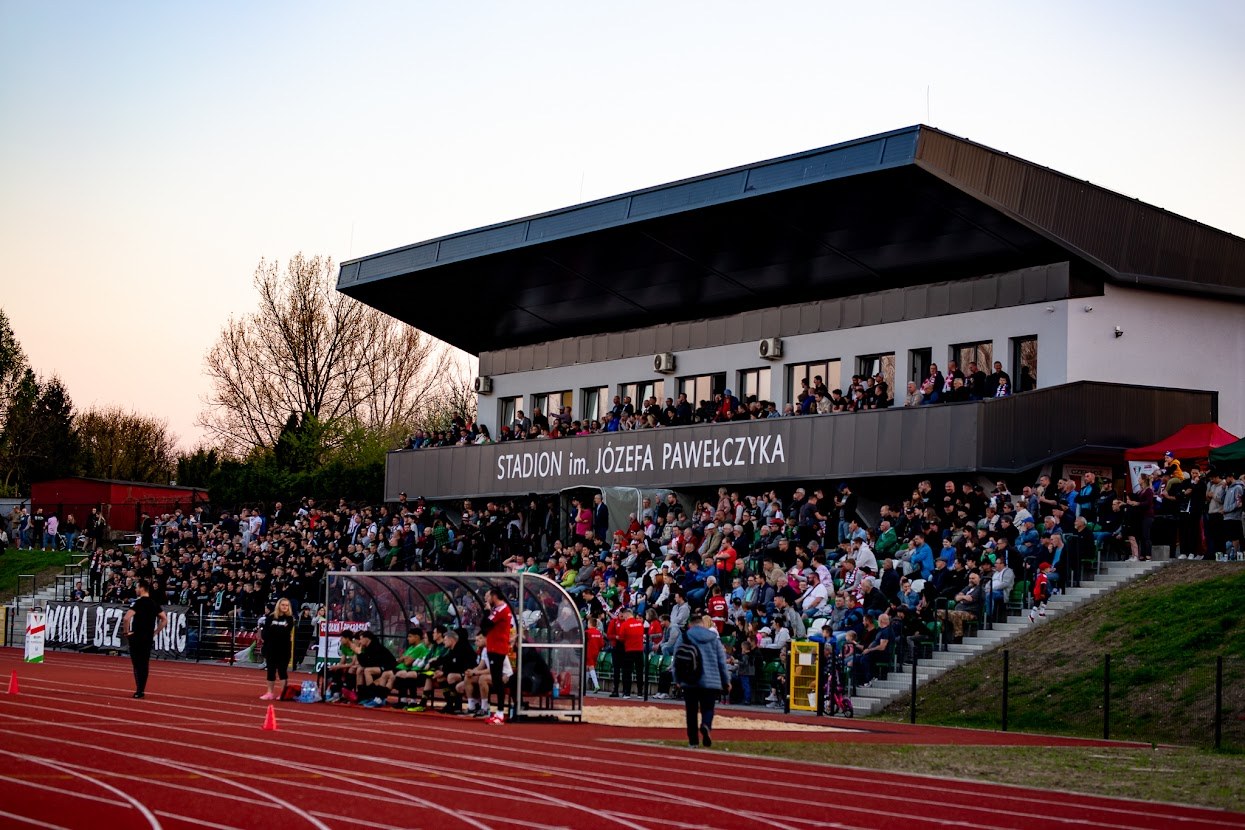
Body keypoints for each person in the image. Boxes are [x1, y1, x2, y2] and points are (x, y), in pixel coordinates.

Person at [682, 613, 731, 748]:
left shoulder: (685, 637)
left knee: (691, 712)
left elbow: (678, 658)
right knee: (708, 708)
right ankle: (706, 724)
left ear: (690, 625)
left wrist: (677, 678)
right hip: (711, 679)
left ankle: (693, 741)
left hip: (690, 679)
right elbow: (721, 661)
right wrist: (726, 681)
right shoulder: (713, 639)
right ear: (703, 624)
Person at [123, 579, 168, 699]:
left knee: (137, 664)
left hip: (137, 635)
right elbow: (164, 619)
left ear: (141, 588)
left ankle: (139, 689)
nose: (136, 590)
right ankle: (141, 689)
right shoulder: (154, 603)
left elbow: (127, 618)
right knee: (144, 663)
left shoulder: (137, 603)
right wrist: (155, 632)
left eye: (137, 588)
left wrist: (126, 632)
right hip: (148, 637)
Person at [481, 587, 513, 718]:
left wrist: (487, 611)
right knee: (495, 679)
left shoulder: (501, 610)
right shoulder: (498, 610)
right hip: (493, 647)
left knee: (497, 679)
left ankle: (500, 712)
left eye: (488, 596)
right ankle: (498, 712)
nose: (487, 599)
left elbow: (485, 625)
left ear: (494, 596)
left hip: (497, 648)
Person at [261, 597, 296, 700]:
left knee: (282, 671)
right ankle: (269, 692)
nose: (284, 607)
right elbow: (266, 632)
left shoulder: (290, 619)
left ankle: (283, 693)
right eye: (283, 605)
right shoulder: (271, 617)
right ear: (278, 606)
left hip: (284, 648)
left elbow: (285, 632)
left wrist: (275, 631)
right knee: (270, 670)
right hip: (271, 647)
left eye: (286, 605)